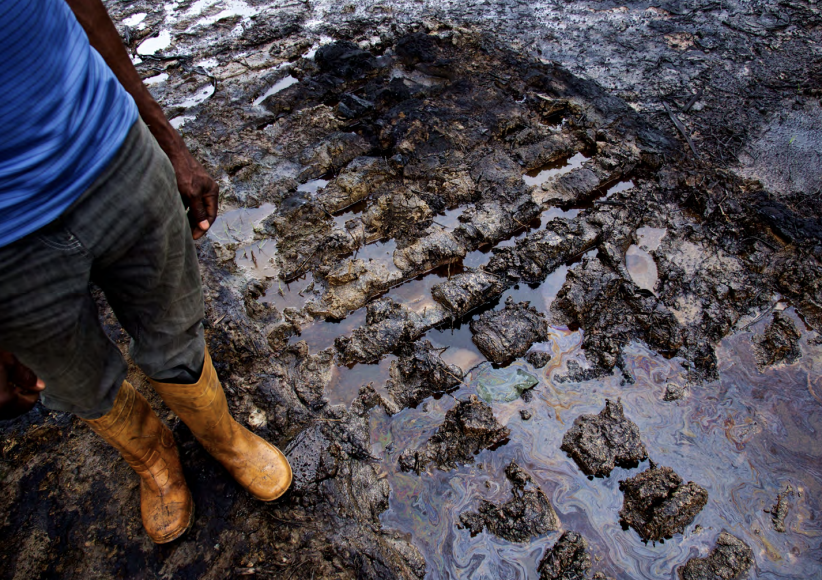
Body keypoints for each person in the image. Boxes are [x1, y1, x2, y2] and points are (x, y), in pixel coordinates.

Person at [0, 0, 292, 543]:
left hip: (113, 153)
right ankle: (154, 459)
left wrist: (166, 138)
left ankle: (220, 434)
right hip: (7, 248)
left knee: (174, 325)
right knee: (76, 381)